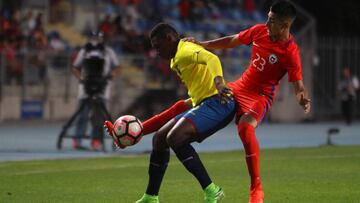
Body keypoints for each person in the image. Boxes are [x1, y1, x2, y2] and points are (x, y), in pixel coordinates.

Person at [183, 1, 311, 202]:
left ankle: (256, 188)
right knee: (195, 101)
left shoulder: (290, 52)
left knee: (245, 128)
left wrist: (301, 98)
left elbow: (298, 85)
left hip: (260, 96)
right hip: (239, 87)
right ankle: (150, 128)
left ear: (285, 26)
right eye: (268, 18)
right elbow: (232, 40)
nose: (266, 24)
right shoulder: (259, 31)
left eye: (272, 21)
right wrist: (203, 44)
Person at [106, 22, 235, 203]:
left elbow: (212, 59)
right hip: (204, 103)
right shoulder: (176, 59)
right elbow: (172, 112)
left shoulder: (184, 51)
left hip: (219, 103)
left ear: (169, 39)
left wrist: (219, 83)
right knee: (160, 138)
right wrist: (136, 133)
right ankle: (151, 197)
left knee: (175, 138)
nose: (156, 52)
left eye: (158, 47)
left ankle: (213, 190)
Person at [72, 31, 120, 150]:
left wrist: (110, 77)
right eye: (92, 37)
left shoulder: (108, 52)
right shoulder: (84, 51)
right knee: (82, 114)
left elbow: (116, 67)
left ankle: (96, 140)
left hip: (102, 87)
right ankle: (77, 139)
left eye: (97, 38)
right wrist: (82, 79)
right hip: (86, 87)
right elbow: (75, 67)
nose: (95, 40)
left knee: (99, 117)